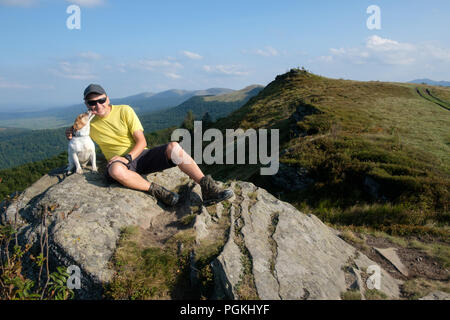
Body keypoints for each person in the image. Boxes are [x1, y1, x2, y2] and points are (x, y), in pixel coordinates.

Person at [66, 84, 233, 207]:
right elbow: (75, 130)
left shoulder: (124, 110)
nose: (97, 105)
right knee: (115, 170)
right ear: (87, 105)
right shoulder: (89, 122)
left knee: (174, 147)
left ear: (107, 98)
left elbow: (142, 141)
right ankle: (159, 192)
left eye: (101, 100)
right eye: (92, 103)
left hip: (138, 156)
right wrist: (70, 131)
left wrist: (127, 157)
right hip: (119, 165)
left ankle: (207, 187)